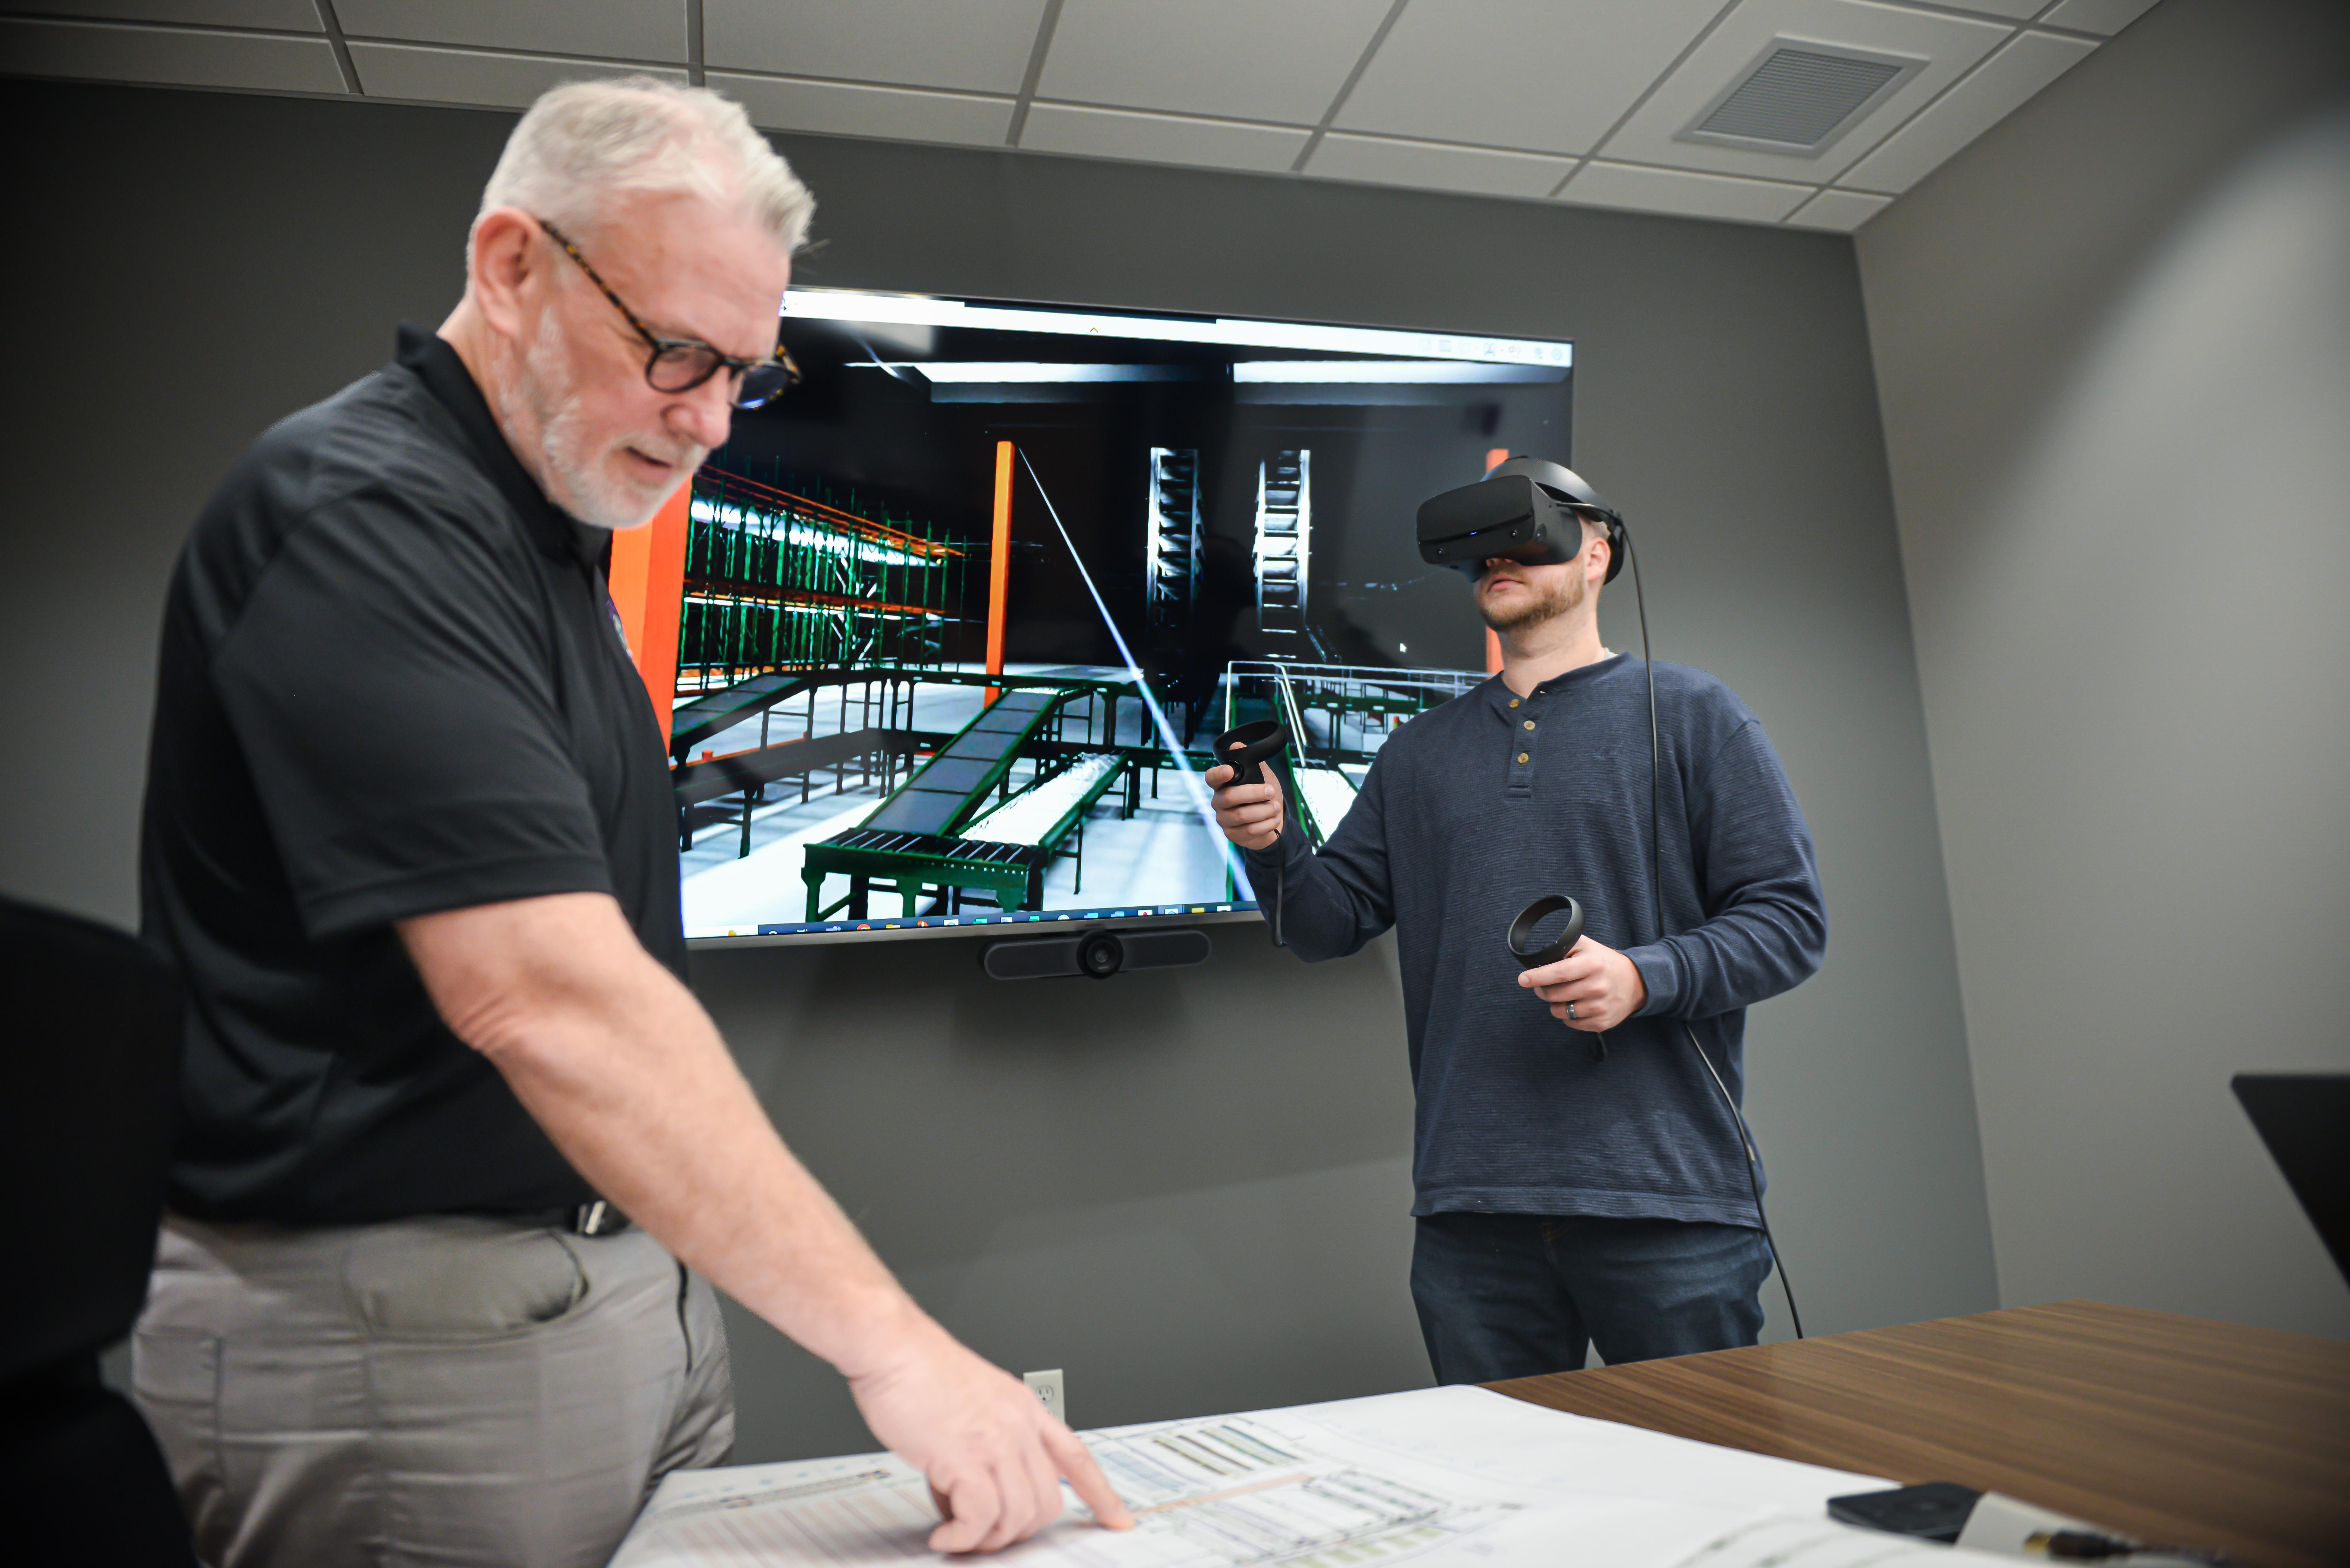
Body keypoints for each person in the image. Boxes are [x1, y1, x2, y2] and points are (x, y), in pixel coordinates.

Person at [134, 77, 1131, 1568]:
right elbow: (545, 995)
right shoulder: (365, 514)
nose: (712, 421)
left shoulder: (550, 541)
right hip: (404, 1333)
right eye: (675, 353)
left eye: (747, 374)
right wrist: (897, 1348)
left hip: (602, 1286)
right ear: (511, 266)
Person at [1207, 472, 1826, 1383]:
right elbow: (1324, 925)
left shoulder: (1696, 715)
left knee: (1705, 1486)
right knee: (1507, 1505)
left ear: (1598, 555)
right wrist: (1272, 843)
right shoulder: (1418, 753)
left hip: (1665, 1205)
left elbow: (1788, 921)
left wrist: (1643, 977)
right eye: (1482, 550)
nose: (1498, 558)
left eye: (1527, 538)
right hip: (1471, 1214)